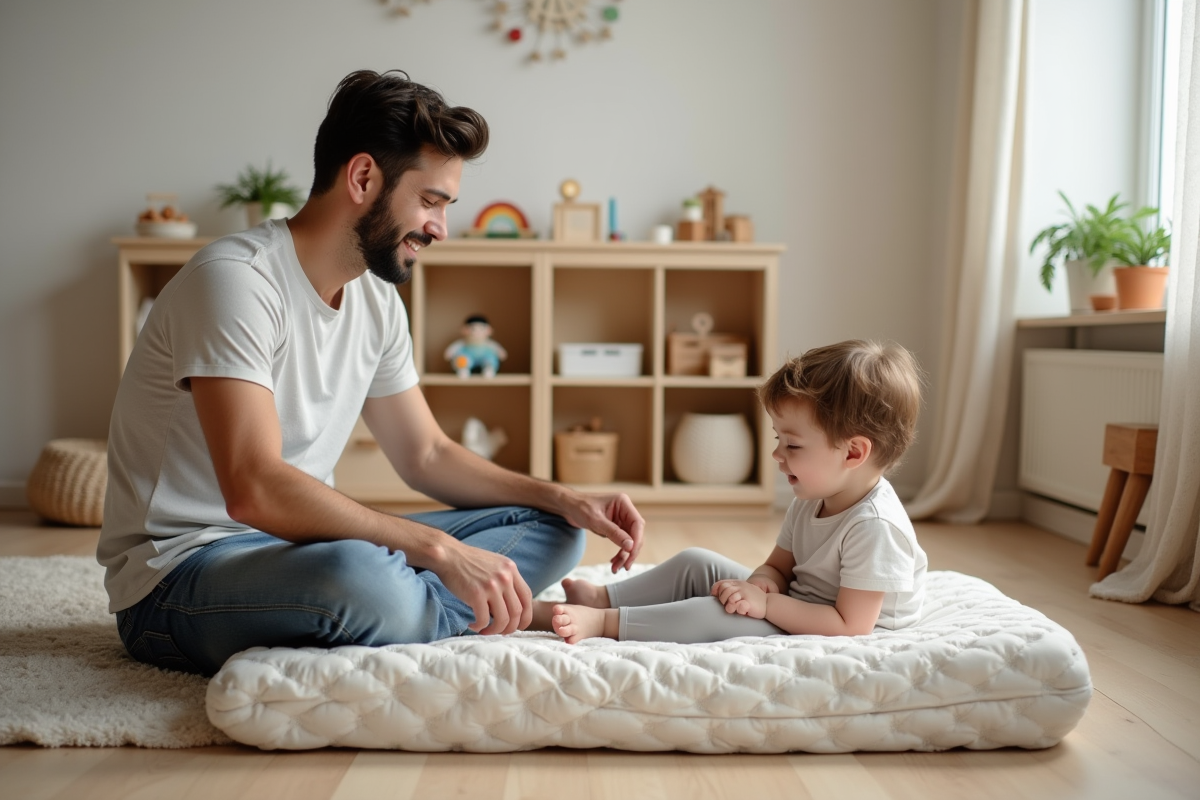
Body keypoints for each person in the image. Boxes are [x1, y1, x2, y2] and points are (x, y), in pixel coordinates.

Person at [97, 69, 644, 676]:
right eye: (430, 201)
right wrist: (437, 551)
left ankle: (421, 610)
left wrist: (566, 498)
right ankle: (502, 613)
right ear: (362, 178)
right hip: (180, 579)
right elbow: (253, 487)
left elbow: (428, 454)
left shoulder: (376, 300)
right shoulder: (236, 282)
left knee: (554, 528)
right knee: (362, 574)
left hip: (299, 549)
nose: (440, 227)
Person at [549, 340, 925, 644]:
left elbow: (849, 625)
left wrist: (766, 605)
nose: (777, 454)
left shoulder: (875, 527)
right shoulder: (813, 497)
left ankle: (604, 622)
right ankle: (603, 597)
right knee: (697, 562)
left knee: (713, 612)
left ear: (854, 452)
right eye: (779, 439)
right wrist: (763, 582)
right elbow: (779, 567)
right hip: (799, 603)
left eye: (793, 446)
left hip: (826, 621)